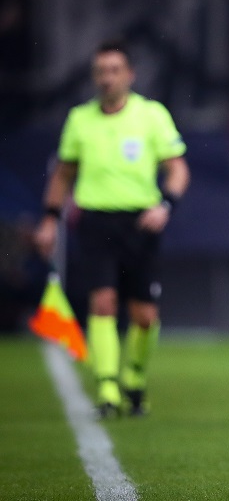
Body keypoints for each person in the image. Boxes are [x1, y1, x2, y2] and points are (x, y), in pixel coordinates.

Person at [33, 39, 189, 418]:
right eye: (101, 71)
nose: (107, 78)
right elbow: (64, 174)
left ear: (130, 75)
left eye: (115, 70)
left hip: (141, 223)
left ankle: (134, 378)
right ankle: (106, 388)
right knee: (102, 302)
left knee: (144, 315)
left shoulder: (151, 115)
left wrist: (165, 205)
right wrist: (50, 219)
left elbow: (177, 169)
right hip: (96, 221)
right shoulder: (80, 120)